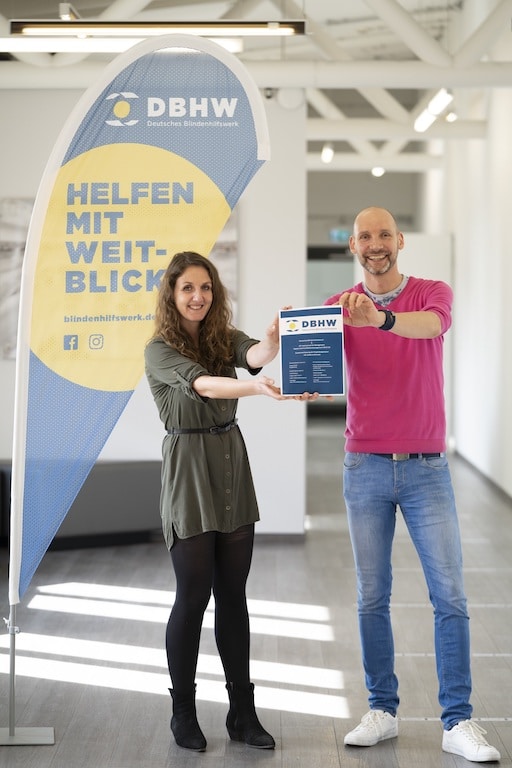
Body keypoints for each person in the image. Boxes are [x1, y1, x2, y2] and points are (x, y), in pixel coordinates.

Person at [325, 207, 500, 763]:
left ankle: (458, 720)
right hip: (364, 467)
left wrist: (379, 319)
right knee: (371, 596)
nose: (375, 244)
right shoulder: (337, 306)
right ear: (353, 246)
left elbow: (431, 326)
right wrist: (292, 358)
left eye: (384, 234)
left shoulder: (431, 293)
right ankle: (382, 710)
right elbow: (319, 370)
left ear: (399, 241)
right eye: (365, 236)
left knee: (450, 596)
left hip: (427, 469)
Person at [144, 251, 314, 753]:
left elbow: (254, 354)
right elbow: (203, 384)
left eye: (206, 287)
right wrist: (256, 389)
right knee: (193, 596)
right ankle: (183, 712)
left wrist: (274, 340)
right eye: (188, 289)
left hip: (230, 465)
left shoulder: (223, 335)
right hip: (189, 471)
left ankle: (242, 713)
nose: (198, 296)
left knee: (233, 596)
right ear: (172, 296)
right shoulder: (158, 350)